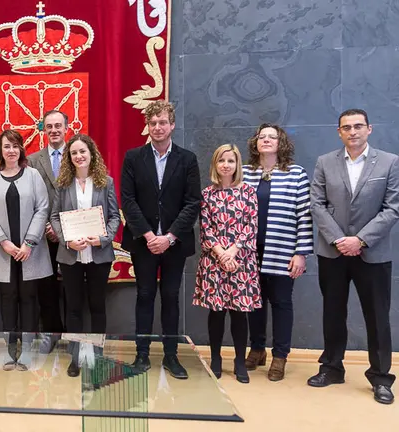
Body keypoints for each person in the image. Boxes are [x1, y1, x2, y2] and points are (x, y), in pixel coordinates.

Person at [309, 108, 399, 405]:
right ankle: (332, 367)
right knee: (333, 313)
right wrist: (338, 240)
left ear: (369, 129)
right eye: (346, 127)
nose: (353, 132)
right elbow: (317, 205)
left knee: (377, 317)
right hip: (333, 252)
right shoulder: (324, 162)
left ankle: (381, 378)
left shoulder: (389, 162)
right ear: (339, 132)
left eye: (358, 126)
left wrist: (360, 240)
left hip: (372, 253)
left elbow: (392, 208)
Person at [120, 100, 201, 379]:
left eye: (162, 122)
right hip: (143, 242)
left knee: (170, 297)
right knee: (144, 296)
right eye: (153, 123)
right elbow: (128, 201)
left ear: (172, 125)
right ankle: (141, 355)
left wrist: (168, 237)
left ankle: (171, 356)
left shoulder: (187, 159)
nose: (157, 127)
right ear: (147, 126)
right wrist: (149, 235)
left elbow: (192, 203)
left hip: (174, 243)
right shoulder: (133, 157)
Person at [242, 124, 313, 381]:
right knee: (254, 303)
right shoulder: (246, 173)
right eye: (262, 137)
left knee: (282, 303)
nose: (267, 140)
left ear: (281, 142)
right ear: (256, 142)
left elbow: (305, 216)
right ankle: (257, 349)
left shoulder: (296, 174)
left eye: (272, 137)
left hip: (283, 251)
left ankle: (280, 355)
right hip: (249, 251)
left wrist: (301, 252)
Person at [0, 130, 52, 370]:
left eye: (15, 146)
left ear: (21, 149)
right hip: (3, 252)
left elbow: (43, 208)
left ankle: (28, 351)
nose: (11, 150)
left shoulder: (33, 176)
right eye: (6, 146)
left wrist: (28, 243)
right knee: (7, 299)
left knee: (29, 299)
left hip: (29, 251)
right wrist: (4, 242)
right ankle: (10, 350)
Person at [49, 134, 121, 377]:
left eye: (83, 152)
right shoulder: (62, 184)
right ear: (69, 158)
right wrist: (67, 239)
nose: (79, 156)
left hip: (99, 254)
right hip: (71, 256)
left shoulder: (106, 182)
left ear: (92, 154)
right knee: (74, 308)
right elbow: (54, 217)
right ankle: (76, 356)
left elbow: (114, 217)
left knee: (97, 306)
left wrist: (101, 238)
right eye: (74, 153)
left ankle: (97, 354)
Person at [193, 144, 261, 383]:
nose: (226, 165)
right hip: (214, 260)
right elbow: (206, 229)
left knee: (239, 313)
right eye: (221, 161)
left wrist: (233, 251)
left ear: (237, 165)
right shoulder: (207, 194)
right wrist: (221, 253)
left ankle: (240, 361)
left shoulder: (249, 192)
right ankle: (215, 358)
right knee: (217, 312)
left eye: (230, 161)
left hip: (241, 261)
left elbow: (251, 226)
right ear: (215, 164)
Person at [27, 110, 68, 345]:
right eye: (49, 126)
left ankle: (75, 337)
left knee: (73, 288)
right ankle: (52, 334)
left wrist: (62, 227)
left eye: (58, 126)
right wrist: (46, 226)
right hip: (44, 235)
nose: (53, 130)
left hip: (72, 233)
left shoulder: (77, 155)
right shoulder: (33, 160)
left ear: (65, 128)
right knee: (46, 287)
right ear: (44, 129)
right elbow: (31, 199)